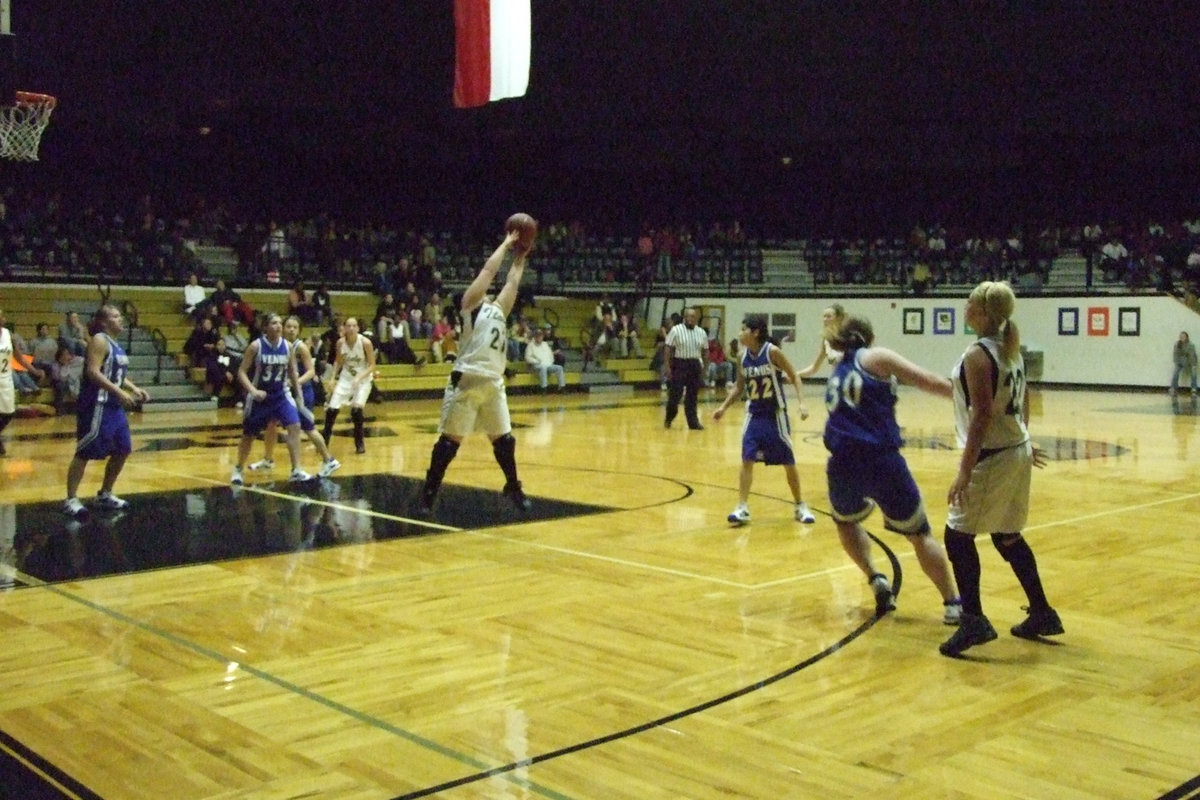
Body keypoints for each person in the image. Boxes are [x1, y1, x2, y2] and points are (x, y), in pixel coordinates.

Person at [939, 282, 1061, 657]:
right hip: (1014, 451)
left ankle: (973, 619)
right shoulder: (1011, 350)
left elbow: (983, 417)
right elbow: (1021, 403)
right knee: (1007, 535)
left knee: (957, 537)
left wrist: (964, 470)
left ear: (982, 312)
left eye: (970, 301)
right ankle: (1042, 612)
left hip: (992, 455)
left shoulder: (979, 355)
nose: (965, 305)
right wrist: (1023, 436)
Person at [822, 313, 962, 624]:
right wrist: (971, 397)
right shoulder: (877, 357)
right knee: (919, 533)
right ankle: (953, 602)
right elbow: (930, 382)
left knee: (845, 523)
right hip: (881, 460)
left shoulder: (838, 367)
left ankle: (875, 578)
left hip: (842, 463)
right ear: (868, 336)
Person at [415, 226, 532, 516]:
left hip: (493, 382)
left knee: (505, 441)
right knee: (447, 445)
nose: (482, 288)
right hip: (466, 381)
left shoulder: (498, 310)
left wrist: (520, 257)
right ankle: (429, 494)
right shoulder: (470, 305)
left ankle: (513, 486)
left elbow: (512, 283)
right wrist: (506, 244)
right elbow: (489, 272)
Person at [712, 316, 815, 524]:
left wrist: (802, 403)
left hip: (775, 414)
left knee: (788, 460)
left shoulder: (772, 352)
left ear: (755, 332)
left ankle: (799, 505)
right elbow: (740, 388)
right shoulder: (742, 357)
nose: (739, 333)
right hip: (754, 415)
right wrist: (723, 407)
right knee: (747, 458)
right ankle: (742, 507)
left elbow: (794, 375)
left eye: (743, 329)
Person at [62, 305, 151, 516]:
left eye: (120, 316)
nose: (121, 319)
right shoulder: (99, 340)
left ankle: (105, 493)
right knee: (84, 451)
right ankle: (71, 499)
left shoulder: (115, 345)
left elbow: (114, 373)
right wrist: (119, 392)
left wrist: (134, 388)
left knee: (123, 448)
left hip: (113, 407)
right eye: (115, 316)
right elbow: (93, 372)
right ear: (103, 321)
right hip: (96, 405)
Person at [246, 316, 342, 478]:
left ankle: (329, 460)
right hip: (282, 393)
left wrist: (294, 382)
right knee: (271, 423)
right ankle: (268, 459)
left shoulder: (300, 347)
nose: (291, 329)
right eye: (288, 326)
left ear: (299, 330)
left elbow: (311, 371)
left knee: (307, 427)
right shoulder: (279, 345)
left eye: (294, 327)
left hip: (301, 393)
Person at [229, 313, 312, 486]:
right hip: (261, 397)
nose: (279, 326)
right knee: (249, 435)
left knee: (295, 426)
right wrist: (253, 390)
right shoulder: (255, 346)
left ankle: (296, 469)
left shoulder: (288, 346)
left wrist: (298, 395)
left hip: (280, 395)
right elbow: (241, 372)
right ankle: (238, 468)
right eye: (274, 323)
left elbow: (292, 372)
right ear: (265, 327)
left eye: (280, 323)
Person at [321, 316, 376, 454]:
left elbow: (372, 365)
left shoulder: (365, 343)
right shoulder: (340, 343)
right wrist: (333, 378)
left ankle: (359, 444)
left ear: (358, 328)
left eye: (354, 326)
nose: (351, 328)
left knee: (356, 410)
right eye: (348, 326)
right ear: (344, 328)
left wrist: (359, 377)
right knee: (331, 410)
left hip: (363, 379)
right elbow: (338, 362)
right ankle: (323, 442)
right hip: (346, 378)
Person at [663, 307, 708, 430]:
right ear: (684, 317)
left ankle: (693, 422)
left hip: (694, 364)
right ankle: (669, 418)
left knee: (692, 396)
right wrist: (667, 366)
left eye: (693, 316)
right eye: (688, 316)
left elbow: (705, 351)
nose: (691, 319)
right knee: (675, 394)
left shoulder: (701, 332)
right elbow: (668, 348)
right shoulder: (676, 330)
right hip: (680, 364)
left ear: (696, 318)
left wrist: (705, 369)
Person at [796, 303, 847, 379]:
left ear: (838, 318)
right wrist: (796, 374)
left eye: (829, 317)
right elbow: (814, 368)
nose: (825, 319)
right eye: (824, 316)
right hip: (835, 382)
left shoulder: (848, 337)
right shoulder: (826, 340)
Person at [524, 327, 566, 392]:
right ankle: (544, 388)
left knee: (559, 368)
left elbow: (550, 354)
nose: (540, 338)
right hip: (536, 365)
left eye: (541, 336)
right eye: (538, 336)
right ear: (535, 337)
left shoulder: (545, 344)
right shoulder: (530, 345)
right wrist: (536, 361)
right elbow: (527, 358)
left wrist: (550, 362)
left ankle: (562, 387)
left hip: (548, 364)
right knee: (543, 368)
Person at [1170, 331, 1198, 398]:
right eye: (1181, 336)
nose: (1182, 338)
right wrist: (1176, 363)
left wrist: (1193, 365)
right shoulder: (1177, 344)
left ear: (1186, 337)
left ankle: (1194, 389)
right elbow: (1175, 355)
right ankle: (1173, 388)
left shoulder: (1191, 345)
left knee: (1194, 372)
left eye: (1183, 336)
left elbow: (1192, 356)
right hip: (1180, 362)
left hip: (1189, 362)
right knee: (1175, 372)